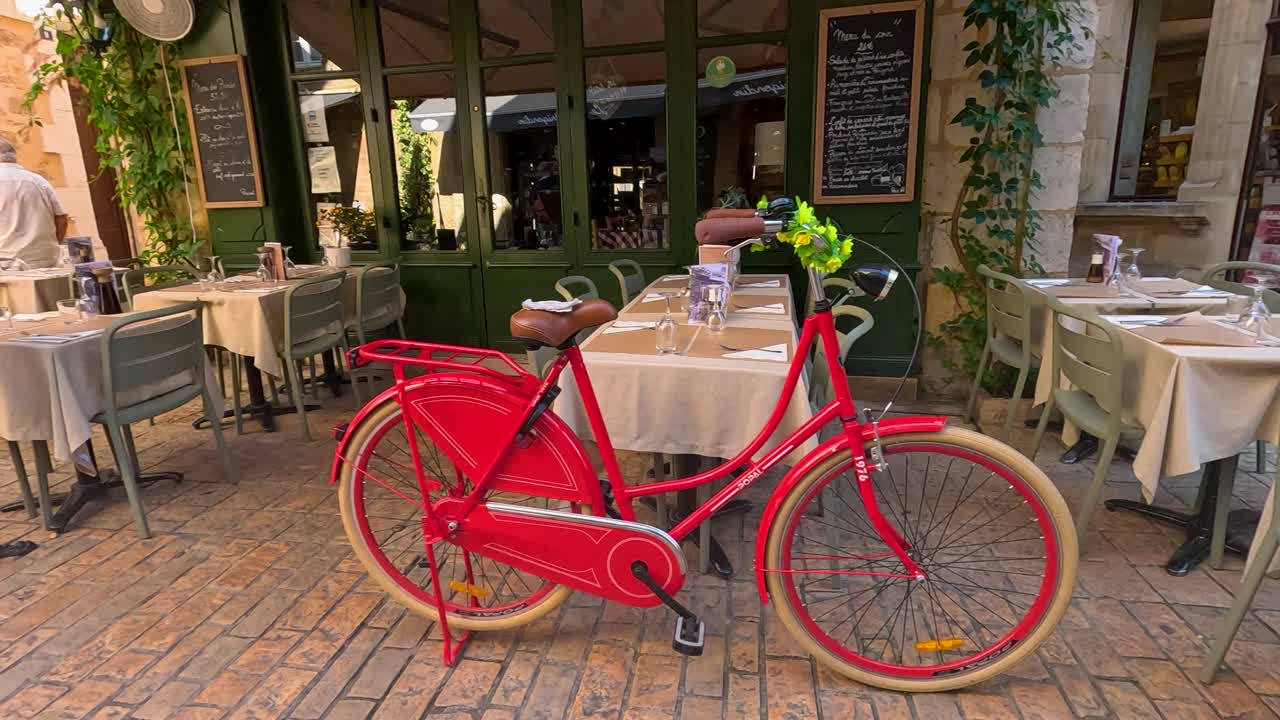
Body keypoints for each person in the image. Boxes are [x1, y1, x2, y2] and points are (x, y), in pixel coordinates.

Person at [0, 137, 68, 268]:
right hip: (46, 261)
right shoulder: (39, 181)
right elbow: (61, 219)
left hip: (7, 263)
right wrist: (53, 246)